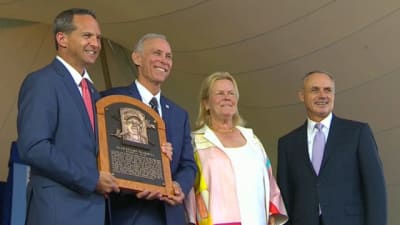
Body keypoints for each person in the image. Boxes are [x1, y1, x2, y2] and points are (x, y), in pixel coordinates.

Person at [16, 8, 119, 225]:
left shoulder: (93, 93)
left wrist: (159, 156)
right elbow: (34, 147)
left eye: (98, 38)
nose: (96, 44)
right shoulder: (42, 82)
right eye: (87, 36)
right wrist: (91, 179)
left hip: (95, 211)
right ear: (62, 38)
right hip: (58, 211)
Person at [101, 33, 197, 225]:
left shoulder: (180, 114)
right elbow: (106, 151)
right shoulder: (111, 100)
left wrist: (177, 186)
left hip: (171, 215)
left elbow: (188, 165)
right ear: (137, 58)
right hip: (128, 214)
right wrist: (140, 183)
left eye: (168, 56)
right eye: (157, 53)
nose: (164, 60)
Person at [276, 70, 387, 225]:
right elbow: (285, 200)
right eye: (315, 90)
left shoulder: (358, 133)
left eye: (328, 90)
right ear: (302, 96)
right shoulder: (287, 144)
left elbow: (376, 191)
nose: (322, 95)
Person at [184, 71, 288, 225]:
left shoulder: (253, 140)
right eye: (219, 93)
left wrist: (272, 216)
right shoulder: (195, 142)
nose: (226, 97)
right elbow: (189, 192)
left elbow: (271, 185)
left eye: (231, 93)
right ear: (206, 103)